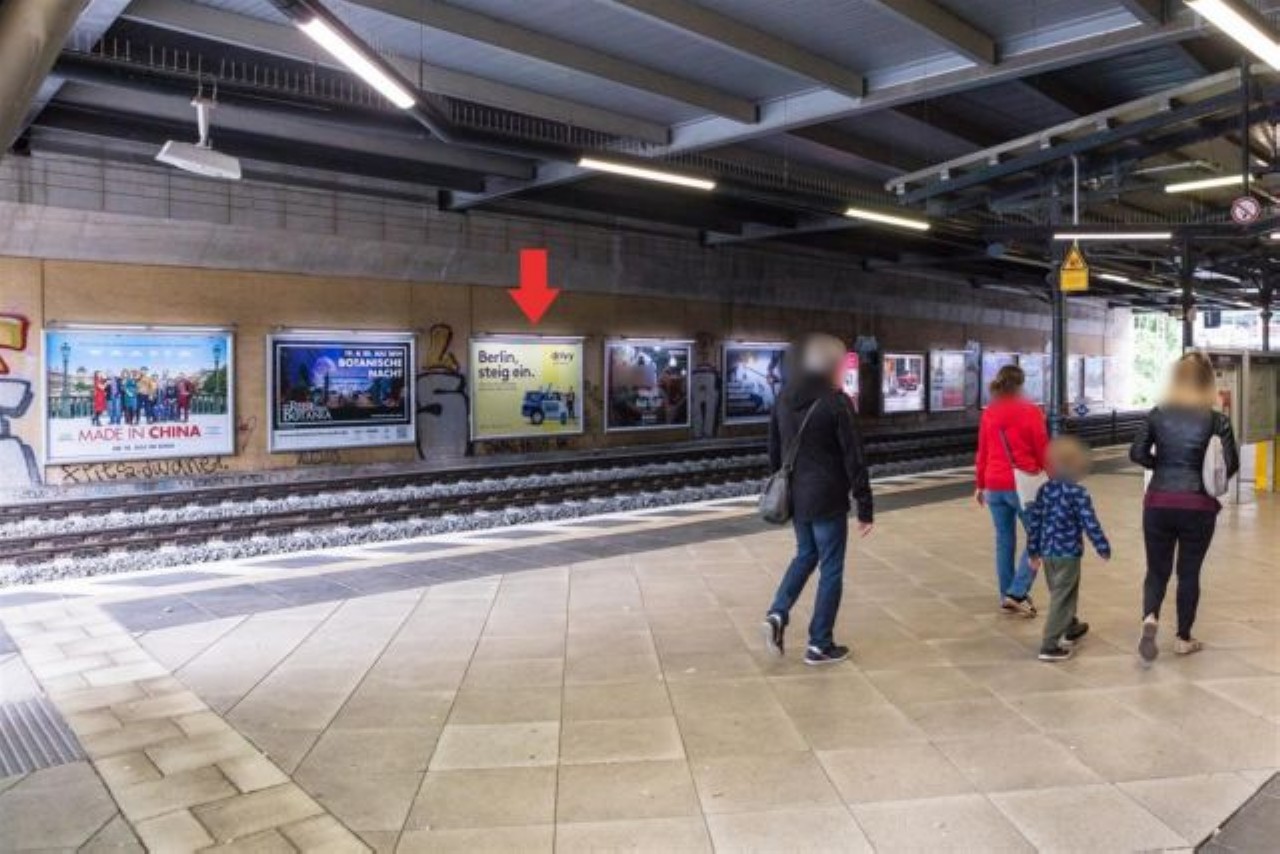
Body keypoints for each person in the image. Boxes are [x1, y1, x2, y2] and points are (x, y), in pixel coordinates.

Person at [762, 333, 874, 666]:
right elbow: (854, 457)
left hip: (797, 497)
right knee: (831, 567)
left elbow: (773, 451)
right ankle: (819, 644)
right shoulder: (836, 402)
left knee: (805, 554)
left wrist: (785, 487)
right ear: (833, 366)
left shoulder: (784, 397)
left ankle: (777, 612)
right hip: (828, 498)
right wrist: (865, 505)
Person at [1130, 352, 1239, 661]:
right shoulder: (1217, 421)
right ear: (1208, 382)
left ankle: (1150, 617)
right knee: (1189, 572)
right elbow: (1231, 464)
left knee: (1156, 570)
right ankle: (1183, 638)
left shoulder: (1157, 414)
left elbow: (1136, 453)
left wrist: (1160, 465)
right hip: (1198, 506)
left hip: (1158, 502)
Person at [1026, 436, 1111, 662]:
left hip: (1048, 553)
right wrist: (1102, 546)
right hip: (1068, 554)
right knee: (1062, 597)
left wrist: (1033, 552)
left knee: (1060, 592)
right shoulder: (1078, 493)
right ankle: (1049, 645)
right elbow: (1089, 522)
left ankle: (1070, 625)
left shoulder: (1044, 490)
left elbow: (1035, 522)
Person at [975, 364, 1049, 617]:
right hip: (1022, 486)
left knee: (1004, 541)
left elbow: (982, 451)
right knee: (1039, 537)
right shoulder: (1031, 411)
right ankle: (1016, 592)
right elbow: (1042, 449)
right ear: (1020, 385)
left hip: (993, 485)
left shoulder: (990, 412)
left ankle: (1005, 595)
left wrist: (980, 484)